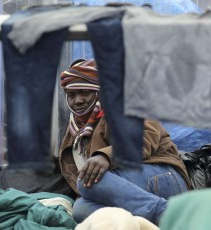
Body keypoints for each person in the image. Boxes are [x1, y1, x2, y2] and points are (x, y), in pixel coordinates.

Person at [58, 59, 190, 225]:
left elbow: (143, 138)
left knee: (86, 182)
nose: (77, 101)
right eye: (71, 95)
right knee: (80, 209)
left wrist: (107, 156)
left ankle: (168, 214)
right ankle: (148, 223)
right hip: (125, 191)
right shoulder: (74, 131)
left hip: (163, 178)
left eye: (85, 92)